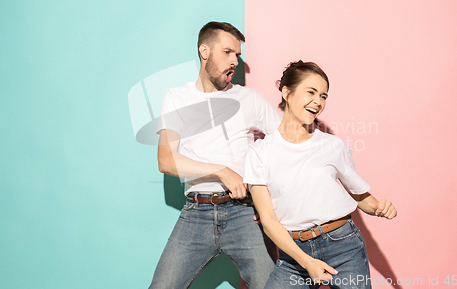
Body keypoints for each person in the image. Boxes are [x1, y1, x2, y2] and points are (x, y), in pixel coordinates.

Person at [149, 21, 281, 289]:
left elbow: (286, 147)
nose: (234, 61)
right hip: (195, 215)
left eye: (237, 55)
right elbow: (166, 160)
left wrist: (268, 199)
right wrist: (222, 170)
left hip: (243, 213)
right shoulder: (177, 98)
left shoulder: (250, 99)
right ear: (204, 51)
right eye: (227, 52)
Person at [244, 61, 397, 289]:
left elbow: (360, 196)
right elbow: (267, 220)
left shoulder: (334, 146)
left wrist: (379, 207)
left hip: (343, 246)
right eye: (311, 92)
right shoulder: (259, 152)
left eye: (324, 96)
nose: (318, 102)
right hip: (293, 255)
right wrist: (307, 262)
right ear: (286, 92)